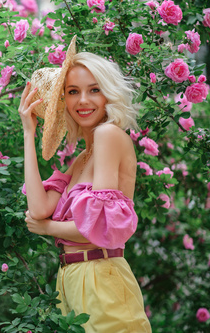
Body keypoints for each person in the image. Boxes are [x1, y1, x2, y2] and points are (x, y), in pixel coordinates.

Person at [18, 36, 152, 332]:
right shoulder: (81, 160)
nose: (83, 101)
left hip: (101, 275)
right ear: (64, 99)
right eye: (73, 92)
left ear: (108, 95)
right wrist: (29, 133)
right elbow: (39, 209)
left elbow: (96, 227)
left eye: (94, 90)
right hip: (71, 278)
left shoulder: (109, 135)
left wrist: (49, 229)